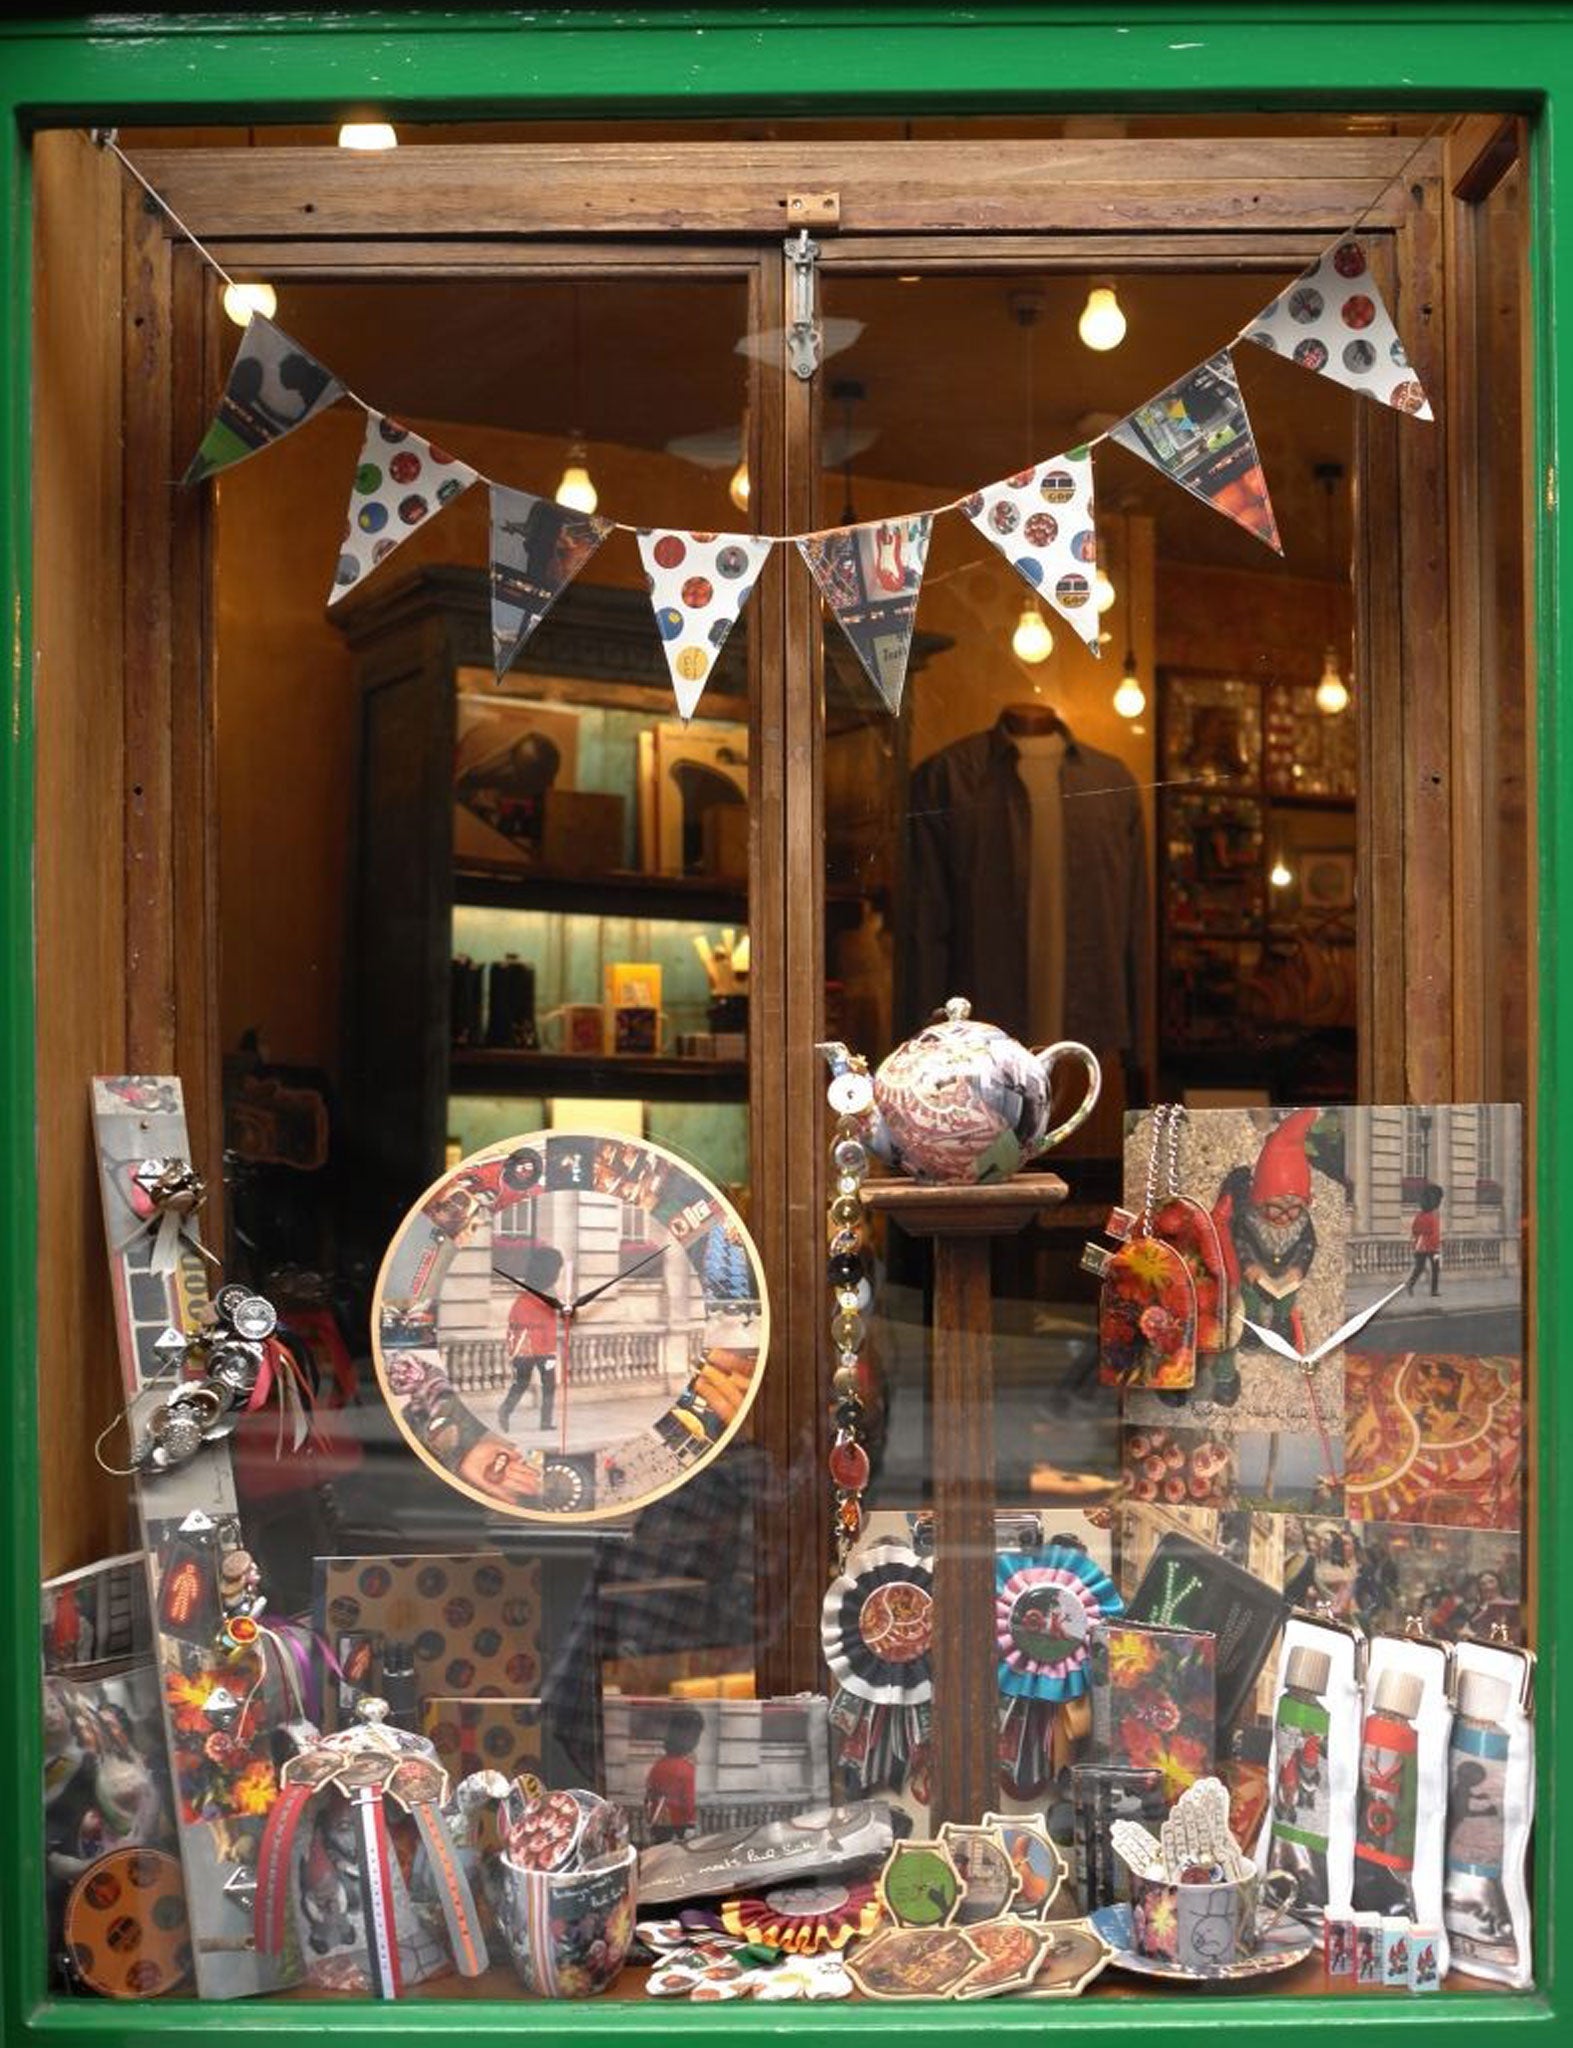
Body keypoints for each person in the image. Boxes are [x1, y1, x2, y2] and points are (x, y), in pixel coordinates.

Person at [498, 1246, 564, 1432]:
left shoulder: (549, 1293)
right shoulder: (527, 1298)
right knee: (522, 1383)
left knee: (549, 1385)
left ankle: (545, 1422)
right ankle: (505, 1410)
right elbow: (518, 1324)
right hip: (527, 1348)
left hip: (546, 1347)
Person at [642, 1706, 705, 1843]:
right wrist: (691, 1825)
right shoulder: (686, 1768)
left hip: (658, 1822)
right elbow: (688, 1802)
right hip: (679, 1826)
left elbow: (648, 1796)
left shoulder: (658, 1765)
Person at [1407, 1183, 1444, 1296]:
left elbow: (1415, 1230)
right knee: (1435, 1268)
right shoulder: (1434, 1215)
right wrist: (1437, 1245)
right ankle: (1433, 1290)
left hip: (1422, 1247)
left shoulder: (1420, 1216)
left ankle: (1411, 1284)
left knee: (1419, 1268)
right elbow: (1434, 1233)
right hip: (1432, 1248)